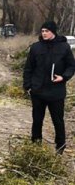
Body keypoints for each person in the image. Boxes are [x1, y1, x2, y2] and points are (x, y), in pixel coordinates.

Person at [23, 20, 75, 154]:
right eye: (42, 31)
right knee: (37, 120)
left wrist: (63, 77)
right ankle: (35, 146)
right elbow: (28, 68)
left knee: (58, 121)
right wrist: (28, 86)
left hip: (56, 92)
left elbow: (71, 66)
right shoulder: (36, 47)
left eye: (47, 31)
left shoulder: (64, 47)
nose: (44, 33)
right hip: (38, 91)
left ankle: (60, 146)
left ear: (53, 32)